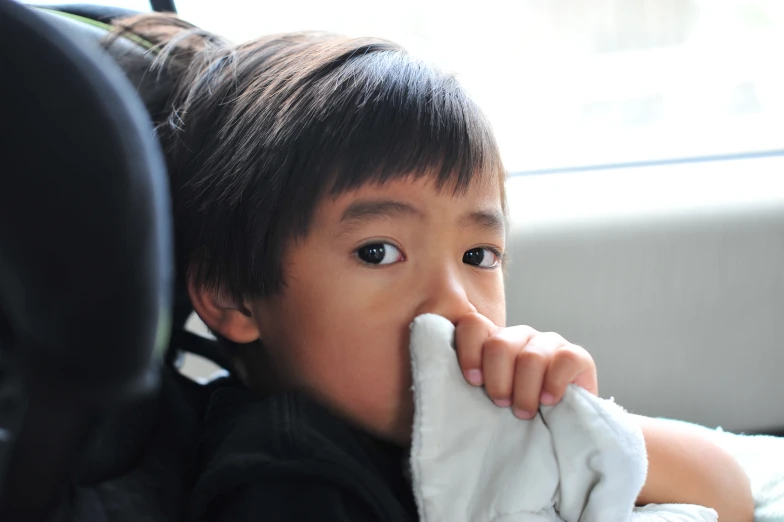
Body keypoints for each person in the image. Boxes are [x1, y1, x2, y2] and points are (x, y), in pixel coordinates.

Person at [112, 14, 754, 522]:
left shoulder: (473, 423)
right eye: (378, 252)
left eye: (478, 256)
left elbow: (728, 492)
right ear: (232, 295)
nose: (457, 306)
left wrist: (578, 419)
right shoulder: (289, 472)